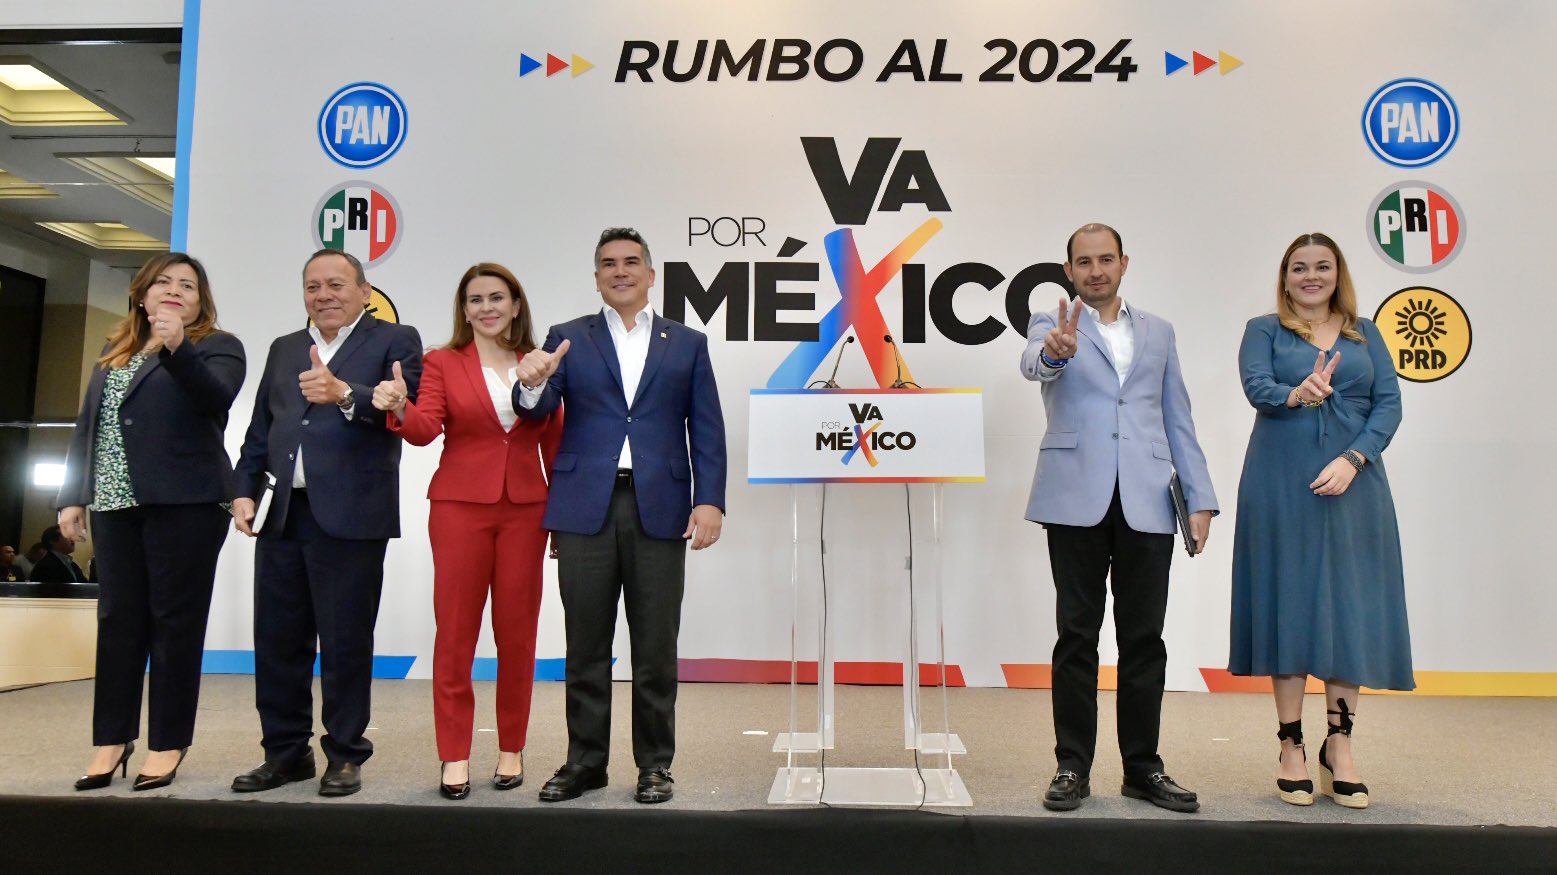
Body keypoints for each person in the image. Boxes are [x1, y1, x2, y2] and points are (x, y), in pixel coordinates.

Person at [513, 227, 726, 805]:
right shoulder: (567, 337)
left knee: (655, 646)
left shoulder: (688, 342)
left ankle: (655, 765)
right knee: (585, 645)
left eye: (631, 262)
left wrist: (710, 499)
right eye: (608, 263)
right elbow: (538, 407)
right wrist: (530, 385)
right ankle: (585, 763)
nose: (620, 271)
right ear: (597, 277)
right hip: (584, 506)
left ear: (651, 275)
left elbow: (706, 427)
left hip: (661, 506)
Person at [1021, 223, 1218, 813]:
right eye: (1084, 262)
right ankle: (1071, 766)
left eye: (1105, 259)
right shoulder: (1051, 322)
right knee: (1076, 637)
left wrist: (1200, 497)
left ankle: (1143, 768)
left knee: (1144, 639)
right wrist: (1055, 353)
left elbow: (1177, 416)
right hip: (1073, 496)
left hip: (1149, 497)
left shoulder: (1159, 331)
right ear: (1069, 271)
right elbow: (1034, 363)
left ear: (1124, 263)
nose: (1096, 270)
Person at [229, 249, 422, 798]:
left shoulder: (395, 340)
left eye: (337, 284)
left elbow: (401, 410)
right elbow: (261, 429)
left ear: (364, 291)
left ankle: (345, 754)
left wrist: (345, 395)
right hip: (283, 514)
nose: (324, 295)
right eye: (313, 286)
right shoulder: (285, 347)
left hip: (353, 515)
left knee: (345, 642)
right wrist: (243, 490)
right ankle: (285, 753)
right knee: (277, 641)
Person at [1228, 232, 1410, 810]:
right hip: (1280, 482)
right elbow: (1257, 387)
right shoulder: (1263, 329)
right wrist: (1297, 394)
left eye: (1322, 266)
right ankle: (1291, 746)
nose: (1311, 276)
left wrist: (1355, 459)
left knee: (1347, 608)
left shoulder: (1366, 333)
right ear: (1285, 277)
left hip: (1353, 482)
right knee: (1289, 604)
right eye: (1299, 267)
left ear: (1338, 274)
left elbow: (1389, 405)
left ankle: (1340, 745)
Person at [55, 252, 246, 791]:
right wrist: (73, 495)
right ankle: (111, 738)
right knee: (118, 620)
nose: (174, 291)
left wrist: (177, 346)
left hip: (186, 503)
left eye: (188, 285)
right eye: (163, 282)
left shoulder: (218, 346)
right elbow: (88, 426)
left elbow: (216, 400)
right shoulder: (113, 352)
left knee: (174, 623)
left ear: (200, 301)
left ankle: (167, 741)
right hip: (115, 501)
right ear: (142, 294)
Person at [373, 263, 563, 800]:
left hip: (526, 509)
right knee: (455, 633)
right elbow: (425, 429)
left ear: (516, 304)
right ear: (464, 309)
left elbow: (555, 442)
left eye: (496, 297)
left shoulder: (540, 362)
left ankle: (511, 748)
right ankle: (454, 753)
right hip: (459, 509)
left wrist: (562, 517)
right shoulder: (442, 361)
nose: (486, 308)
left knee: (518, 633)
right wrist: (400, 407)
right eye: (475, 299)